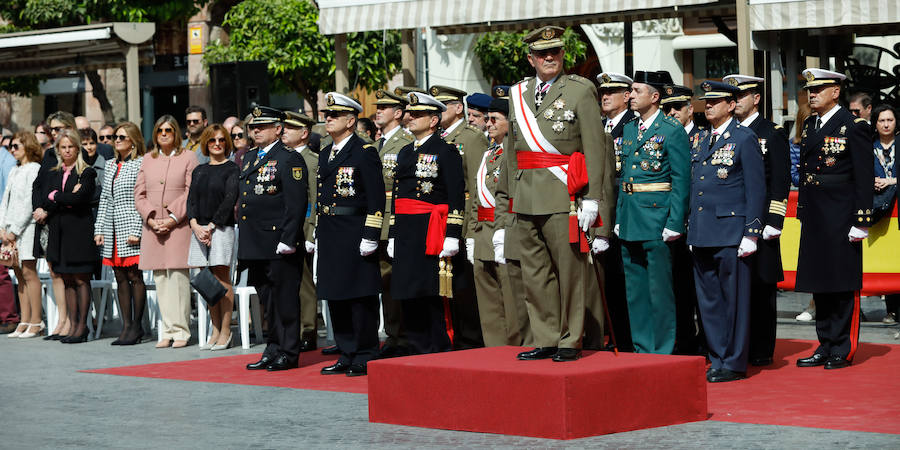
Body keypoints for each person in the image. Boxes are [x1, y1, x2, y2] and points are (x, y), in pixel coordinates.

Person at [494, 26, 611, 361]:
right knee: (534, 273)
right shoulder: (517, 93)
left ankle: (570, 339)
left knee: (570, 273)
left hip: (563, 195)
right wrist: (509, 198)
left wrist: (593, 198)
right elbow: (513, 152)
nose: (549, 57)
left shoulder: (579, 89)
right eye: (542, 54)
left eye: (555, 52)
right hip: (526, 195)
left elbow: (595, 147)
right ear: (531, 59)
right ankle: (546, 336)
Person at [794, 68, 873, 370]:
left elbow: (864, 176)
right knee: (820, 281)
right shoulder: (811, 124)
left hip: (841, 215)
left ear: (835, 92)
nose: (812, 94)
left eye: (818, 89)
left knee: (841, 282)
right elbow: (805, 170)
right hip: (815, 213)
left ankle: (843, 347)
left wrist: (861, 219)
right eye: (810, 90)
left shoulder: (853, 126)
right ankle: (825, 344)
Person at [687, 81, 766, 382]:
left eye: (715, 101)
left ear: (731, 105)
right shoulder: (701, 139)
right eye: (706, 101)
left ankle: (733, 361)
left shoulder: (744, 138)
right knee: (708, 301)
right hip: (703, 231)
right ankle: (718, 356)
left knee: (734, 301)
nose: (708, 105)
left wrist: (752, 232)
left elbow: (756, 189)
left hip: (732, 232)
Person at [616, 70, 691, 355]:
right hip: (631, 216)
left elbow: (681, 179)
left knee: (659, 289)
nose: (631, 96)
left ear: (655, 96)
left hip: (657, 218)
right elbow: (625, 176)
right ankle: (642, 346)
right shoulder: (630, 129)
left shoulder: (671, 129)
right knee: (635, 289)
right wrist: (620, 217)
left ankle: (661, 349)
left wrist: (675, 222)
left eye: (637, 91)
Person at [388, 91, 465, 355]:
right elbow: (397, 196)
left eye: (417, 114)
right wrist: (393, 233)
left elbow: (456, 195)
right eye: (410, 113)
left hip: (431, 229)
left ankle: (438, 346)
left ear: (433, 120)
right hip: (406, 230)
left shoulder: (446, 150)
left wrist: (452, 233)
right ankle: (416, 345)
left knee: (430, 290)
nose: (410, 118)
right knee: (408, 290)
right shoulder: (405, 152)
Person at [724, 74, 792, 367]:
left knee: (762, 285)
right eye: (733, 97)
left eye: (741, 96)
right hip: (732, 217)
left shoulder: (771, 133)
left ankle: (762, 348)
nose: (736, 101)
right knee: (735, 285)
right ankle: (739, 344)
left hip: (762, 218)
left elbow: (780, 180)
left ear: (756, 98)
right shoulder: (728, 131)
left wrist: (774, 220)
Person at [315, 93, 384, 376]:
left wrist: (371, 233)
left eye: (334, 115)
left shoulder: (364, 152)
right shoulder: (324, 153)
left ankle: (365, 352)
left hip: (355, 231)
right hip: (330, 231)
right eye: (327, 115)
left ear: (351, 121)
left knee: (359, 295)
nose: (328, 119)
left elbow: (376, 197)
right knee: (336, 294)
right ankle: (346, 351)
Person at [239, 106, 308, 372]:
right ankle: (273, 347)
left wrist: (288, 238)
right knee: (267, 300)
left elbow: (296, 203)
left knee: (285, 300)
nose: (256, 130)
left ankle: (289, 352)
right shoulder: (250, 157)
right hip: (256, 242)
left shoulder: (288, 158)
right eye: (253, 127)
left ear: (278, 129)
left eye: (263, 126)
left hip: (279, 241)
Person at [431, 84, 488, 350]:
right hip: (440, 219)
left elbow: (477, 184)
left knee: (465, 285)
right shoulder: (439, 138)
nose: (438, 111)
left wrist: (474, 226)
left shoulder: (471, 137)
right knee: (447, 282)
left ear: (457, 108)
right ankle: (453, 335)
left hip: (464, 218)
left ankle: (471, 339)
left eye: (443, 106)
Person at [135, 115, 198, 348]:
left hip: (178, 227)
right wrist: (151, 218)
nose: (163, 134)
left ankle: (181, 331)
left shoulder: (188, 157)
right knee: (161, 279)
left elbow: (191, 191)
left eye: (168, 130)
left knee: (178, 279)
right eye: (160, 130)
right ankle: (168, 329)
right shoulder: (147, 159)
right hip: (153, 228)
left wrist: (172, 218)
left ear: (175, 134)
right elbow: (139, 193)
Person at [469, 94, 526, 346]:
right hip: (483, 229)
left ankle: (516, 344)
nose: (489, 124)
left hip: (506, 228)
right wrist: (471, 233)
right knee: (487, 296)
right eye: (488, 119)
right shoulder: (488, 153)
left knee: (511, 294)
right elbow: (475, 197)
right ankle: (494, 347)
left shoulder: (515, 152)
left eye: (495, 119)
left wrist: (504, 228)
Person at [660, 83, 706, 356]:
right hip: (668, 221)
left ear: (690, 109)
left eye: (677, 107)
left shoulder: (704, 137)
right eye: (667, 108)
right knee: (676, 285)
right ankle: (683, 338)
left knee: (700, 288)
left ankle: (706, 341)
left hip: (697, 222)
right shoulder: (661, 136)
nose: (672, 113)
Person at [594, 71, 637, 352]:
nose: (605, 96)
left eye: (611, 92)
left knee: (624, 280)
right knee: (606, 279)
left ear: (626, 96)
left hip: (624, 210)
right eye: (603, 92)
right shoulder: (598, 126)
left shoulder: (632, 126)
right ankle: (615, 336)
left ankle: (629, 339)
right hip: (599, 211)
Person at [44, 129, 99, 344]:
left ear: (77, 149)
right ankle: (72, 325)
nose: (67, 151)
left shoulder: (87, 173)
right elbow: (46, 200)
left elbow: (80, 199)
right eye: (63, 147)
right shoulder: (54, 173)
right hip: (59, 233)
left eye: (71, 147)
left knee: (80, 279)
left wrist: (57, 196)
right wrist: (65, 196)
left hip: (79, 232)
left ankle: (82, 326)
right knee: (66, 279)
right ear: (58, 150)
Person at [188, 124, 239, 351]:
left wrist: (210, 226)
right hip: (199, 229)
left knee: (221, 276)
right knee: (205, 279)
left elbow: (229, 199)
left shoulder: (232, 168)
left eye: (221, 140)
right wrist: (194, 225)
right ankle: (215, 328)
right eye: (212, 140)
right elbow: (191, 200)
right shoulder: (199, 170)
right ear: (206, 144)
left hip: (221, 228)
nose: (217, 144)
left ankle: (226, 330)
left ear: (226, 143)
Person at [95, 122, 147, 346]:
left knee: (134, 276)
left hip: (130, 226)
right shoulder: (110, 165)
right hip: (112, 227)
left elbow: (141, 199)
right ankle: (126, 326)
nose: (116, 140)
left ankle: (137, 325)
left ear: (133, 141)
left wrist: (137, 230)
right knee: (119, 276)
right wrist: (99, 229)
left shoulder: (140, 164)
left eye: (122, 137)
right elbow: (105, 199)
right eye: (116, 136)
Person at [371, 89, 414, 357]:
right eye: (377, 108)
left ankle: (403, 336)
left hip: (395, 219)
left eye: (384, 108)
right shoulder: (376, 144)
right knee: (384, 282)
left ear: (398, 113)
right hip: (376, 220)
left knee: (396, 280)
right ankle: (393, 334)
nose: (378, 111)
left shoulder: (404, 142)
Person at [33, 111, 77, 340]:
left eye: (59, 129)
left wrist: (47, 209)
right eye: (52, 130)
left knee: (67, 271)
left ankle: (73, 320)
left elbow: (63, 190)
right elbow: (39, 185)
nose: (54, 133)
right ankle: (62, 319)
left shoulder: (75, 154)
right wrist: (37, 209)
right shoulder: (50, 154)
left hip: (63, 218)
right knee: (54, 271)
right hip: (46, 221)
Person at [281, 110, 319, 352]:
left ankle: (308, 330)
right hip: (285, 228)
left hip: (304, 227)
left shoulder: (311, 161)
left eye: (291, 128)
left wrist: (311, 230)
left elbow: (313, 199)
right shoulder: (284, 157)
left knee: (305, 283)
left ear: (304, 133)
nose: (284, 131)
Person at [1, 132, 43, 338]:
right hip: (10, 229)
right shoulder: (14, 170)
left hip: (26, 228)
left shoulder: (34, 169)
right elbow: (5, 200)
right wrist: (2, 227)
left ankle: (36, 320)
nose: (12, 150)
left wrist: (14, 230)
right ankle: (24, 320)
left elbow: (29, 202)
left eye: (16, 146)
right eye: (11, 147)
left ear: (27, 146)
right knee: (18, 273)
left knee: (28, 272)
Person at [871, 104, 899, 324]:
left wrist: (892, 181)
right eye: (882, 120)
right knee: (886, 259)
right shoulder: (868, 147)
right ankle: (892, 310)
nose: (886, 124)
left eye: (890, 120)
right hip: (879, 210)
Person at [0, 132, 18, 334]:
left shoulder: (7, 160)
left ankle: (9, 318)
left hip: (3, 224)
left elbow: (8, 195)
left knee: (1, 272)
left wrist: (5, 227)